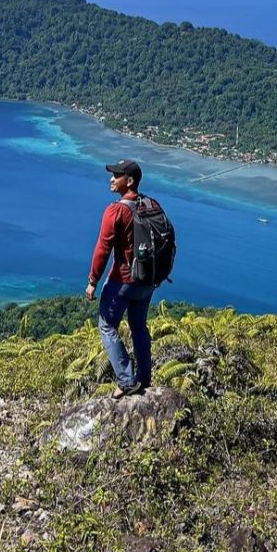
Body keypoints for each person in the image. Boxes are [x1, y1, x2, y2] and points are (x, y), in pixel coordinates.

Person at [86, 158, 157, 398]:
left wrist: (93, 281)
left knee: (107, 326)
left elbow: (102, 249)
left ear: (130, 180)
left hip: (123, 280)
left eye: (116, 175)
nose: (111, 179)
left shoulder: (115, 211)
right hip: (147, 281)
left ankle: (127, 381)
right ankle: (144, 378)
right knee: (138, 327)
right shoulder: (151, 204)